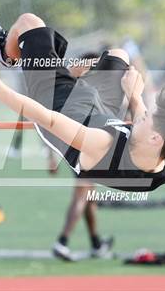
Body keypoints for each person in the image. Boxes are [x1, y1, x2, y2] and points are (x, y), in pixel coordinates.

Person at [0, 9, 165, 192]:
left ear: (154, 138)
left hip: (57, 103)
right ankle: (72, 69)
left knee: (29, 22)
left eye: (147, 118)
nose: (141, 116)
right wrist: (134, 96)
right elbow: (148, 126)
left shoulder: (102, 144)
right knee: (120, 55)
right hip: (101, 112)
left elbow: (49, 120)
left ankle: (8, 52)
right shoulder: (163, 165)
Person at [53, 52, 113, 261]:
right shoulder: (87, 91)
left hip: (78, 144)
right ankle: (62, 242)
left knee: (88, 195)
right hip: (86, 146)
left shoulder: (75, 88)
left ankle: (96, 243)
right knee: (82, 194)